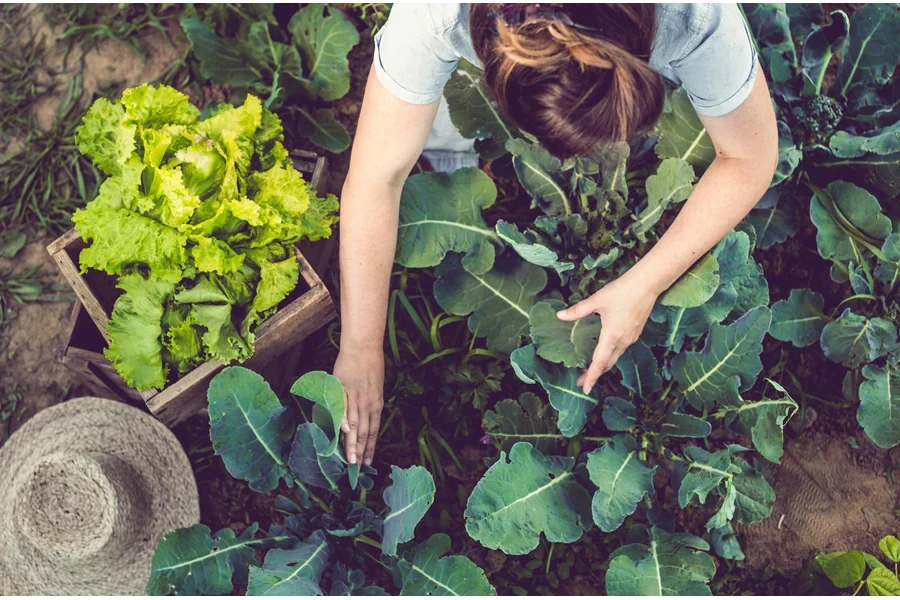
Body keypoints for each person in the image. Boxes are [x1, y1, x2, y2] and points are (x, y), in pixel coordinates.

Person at [334, 3, 779, 467]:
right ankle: (449, 138)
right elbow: (375, 179)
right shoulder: (434, 14)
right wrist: (360, 345)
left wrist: (644, 284)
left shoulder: (693, 14)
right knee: (431, 123)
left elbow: (751, 157)